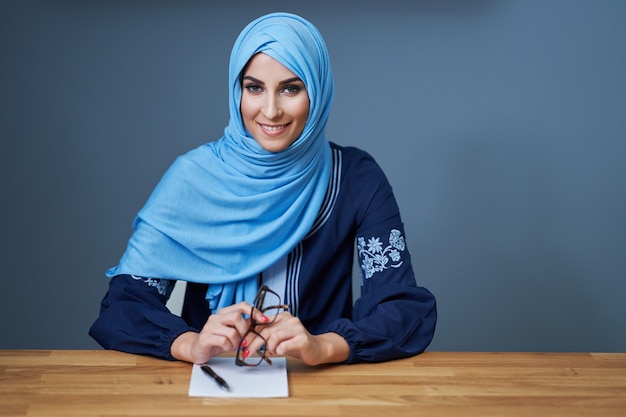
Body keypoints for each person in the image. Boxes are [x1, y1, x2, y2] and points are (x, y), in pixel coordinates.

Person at [90, 12, 436, 366]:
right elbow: (124, 305)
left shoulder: (354, 178)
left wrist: (324, 346)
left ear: (317, 91)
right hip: (209, 389)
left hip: (321, 388)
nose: (270, 110)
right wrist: (188, 344)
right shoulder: (194, 179)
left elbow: (402, 307)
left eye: (291, 88)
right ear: (236, 91)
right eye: (254, 88)